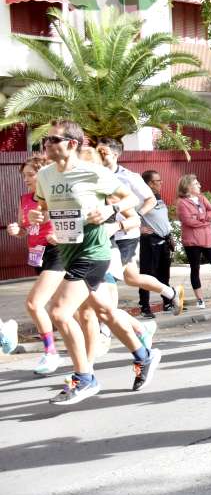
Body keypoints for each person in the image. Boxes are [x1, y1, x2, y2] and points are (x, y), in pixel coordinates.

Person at [30, 120, 160, 404]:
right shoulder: (45, 175)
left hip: (94, 252)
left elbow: (130, 200)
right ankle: (144, 355)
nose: (46, 144)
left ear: (72, 144)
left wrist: (109, 209)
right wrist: (37, 216)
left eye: (53, 139)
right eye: (45, 139)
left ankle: (85, 378)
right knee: (105, 312)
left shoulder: (93, 173)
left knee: (60, 312)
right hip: (68, 252)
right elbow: (42, 207)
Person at [95, 139, 182, 313]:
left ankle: (107, 323)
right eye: (97, 151)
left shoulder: (129, 177)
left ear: (115, 154)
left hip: (125, 234)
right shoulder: (93, 175)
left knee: (107, 272)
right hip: (103, 232)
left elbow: (150, 199)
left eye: (103, 152)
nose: (100, 155)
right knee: (132, 278)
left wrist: (137, 216)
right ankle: (171, 292)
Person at [5, 155, 62, 374]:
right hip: (37, 255)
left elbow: (70, 218)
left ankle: (51, 353)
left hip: (58, 252)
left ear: (43, 174)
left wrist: (58, 234)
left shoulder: (55, 195)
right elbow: (22, 229)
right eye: (24, 176)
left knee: (34, 303)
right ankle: (135, 330)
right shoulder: (25, 199)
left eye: (30, 174)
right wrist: (15, 230)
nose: (26, 179)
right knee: (66, 309)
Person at [176, 174, 211, 308]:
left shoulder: (202, 198)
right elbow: (188, 221)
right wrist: (205, 221)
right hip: (192, 241)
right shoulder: (182, 203)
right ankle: (200, 299)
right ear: (188, 186)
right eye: (196, 183)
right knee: (195, 269)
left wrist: (200, 217)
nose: (199, 185)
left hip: (207, 239)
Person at [136, 170, 177, 319]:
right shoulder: (142, 199)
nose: (161, 183)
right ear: (150, 184)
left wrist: (170, 235)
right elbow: (129, 215)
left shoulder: (158, 198)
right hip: (150, 241)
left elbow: (162, 219)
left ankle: (167, 302)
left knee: (164, 274)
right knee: (147, 274)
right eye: (158, 181)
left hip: (164, 240)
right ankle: (145, 307)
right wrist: (139, 228)